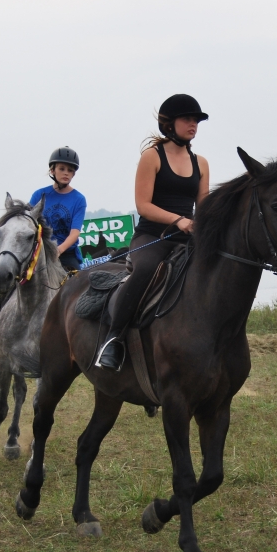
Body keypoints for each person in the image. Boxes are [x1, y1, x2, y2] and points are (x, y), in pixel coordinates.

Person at [95, 94, 210, 370]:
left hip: (188, 238)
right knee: (146, 269)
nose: (193, 124)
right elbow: (143, 206)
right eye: (187, 119)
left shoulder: (201, 163)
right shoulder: (152, 156)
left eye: (196, 120)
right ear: (169, 124)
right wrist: (179, 220)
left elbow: (203, 207)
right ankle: (114, 339)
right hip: (152, 237)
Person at [0, 146, 86, 344]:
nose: (66, 173)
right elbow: (28, 224)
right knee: (7, 276)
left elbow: (74, 233)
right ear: (52, 170)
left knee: (81, 288)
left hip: (65, 255)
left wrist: (58, 250)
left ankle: (82, 333)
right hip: (38, 253)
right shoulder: (39, 195)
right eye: (62, 169)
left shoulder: (78, 199)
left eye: (70, 170)